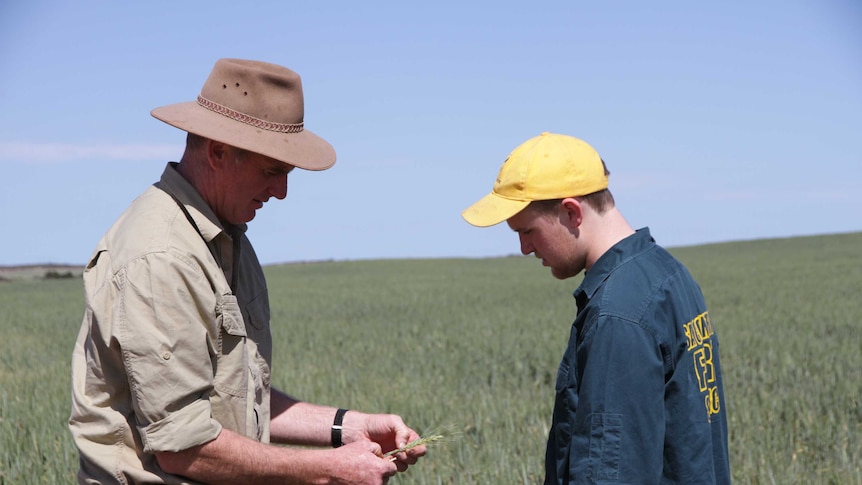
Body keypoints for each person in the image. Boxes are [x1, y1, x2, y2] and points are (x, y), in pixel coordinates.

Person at [69, 58, 426, 485]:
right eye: (272, 170)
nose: (282, 192)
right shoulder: (162, 257)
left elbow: (234, 396)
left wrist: (347, 426)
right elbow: (183, 448)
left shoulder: (225, 236)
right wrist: (328, 471)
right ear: (219, 152)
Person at [461, 133, 730, 484]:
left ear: (571, 212)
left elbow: (611, 472)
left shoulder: (618, 315)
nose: (524, 248)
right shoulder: (668, 273)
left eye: (528, 231)